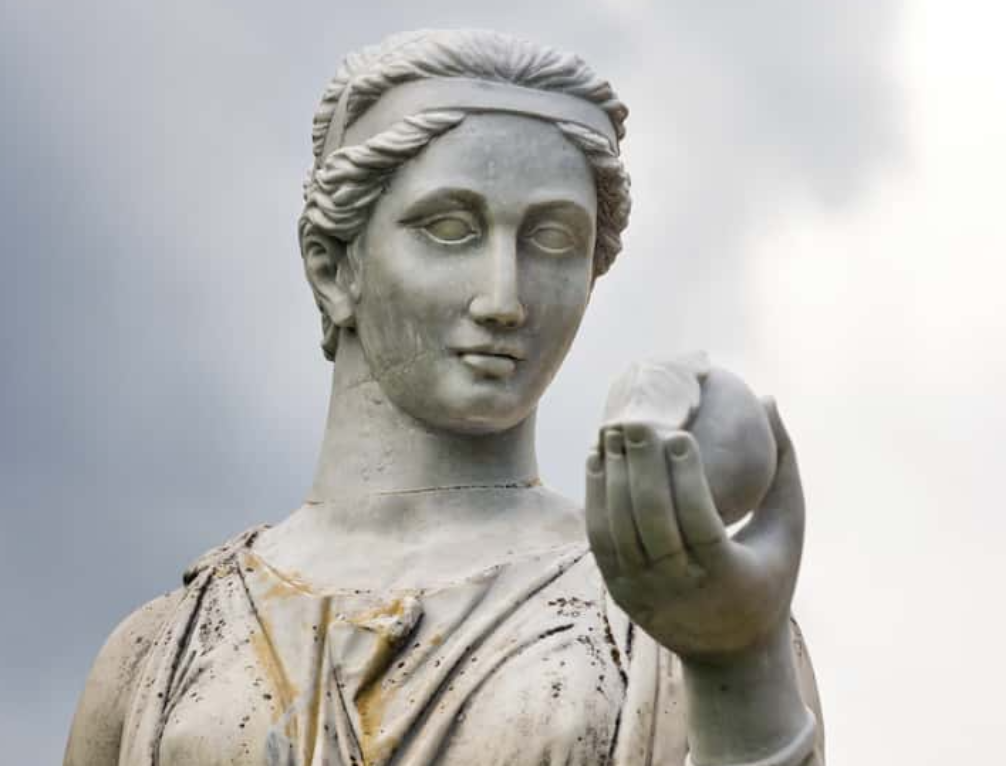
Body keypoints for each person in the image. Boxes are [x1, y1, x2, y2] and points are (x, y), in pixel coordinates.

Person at [64, 29, 824, 766]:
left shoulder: (677, 615)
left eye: (553, 240)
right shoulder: (155, 656)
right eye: (450, 229)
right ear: (334, 269)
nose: (504, 298)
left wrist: (738, 667)